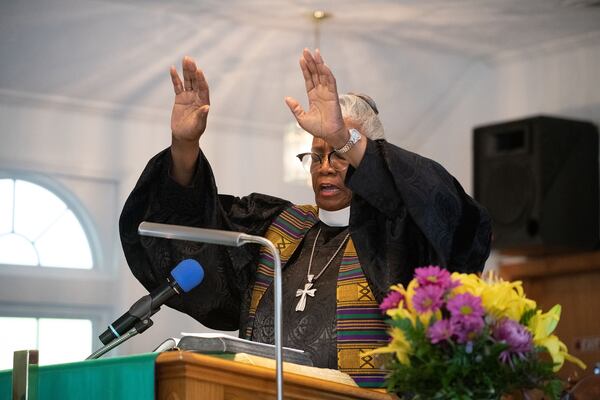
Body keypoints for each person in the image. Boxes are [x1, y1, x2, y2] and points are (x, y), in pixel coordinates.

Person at [120, 49, 491, 387]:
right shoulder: (275, 228)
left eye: (340, 154)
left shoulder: (401, 232)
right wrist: (185, 145)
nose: (325, 168)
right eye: (316, 156)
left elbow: (445, 207)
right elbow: (193, 227)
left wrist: (343, 136)